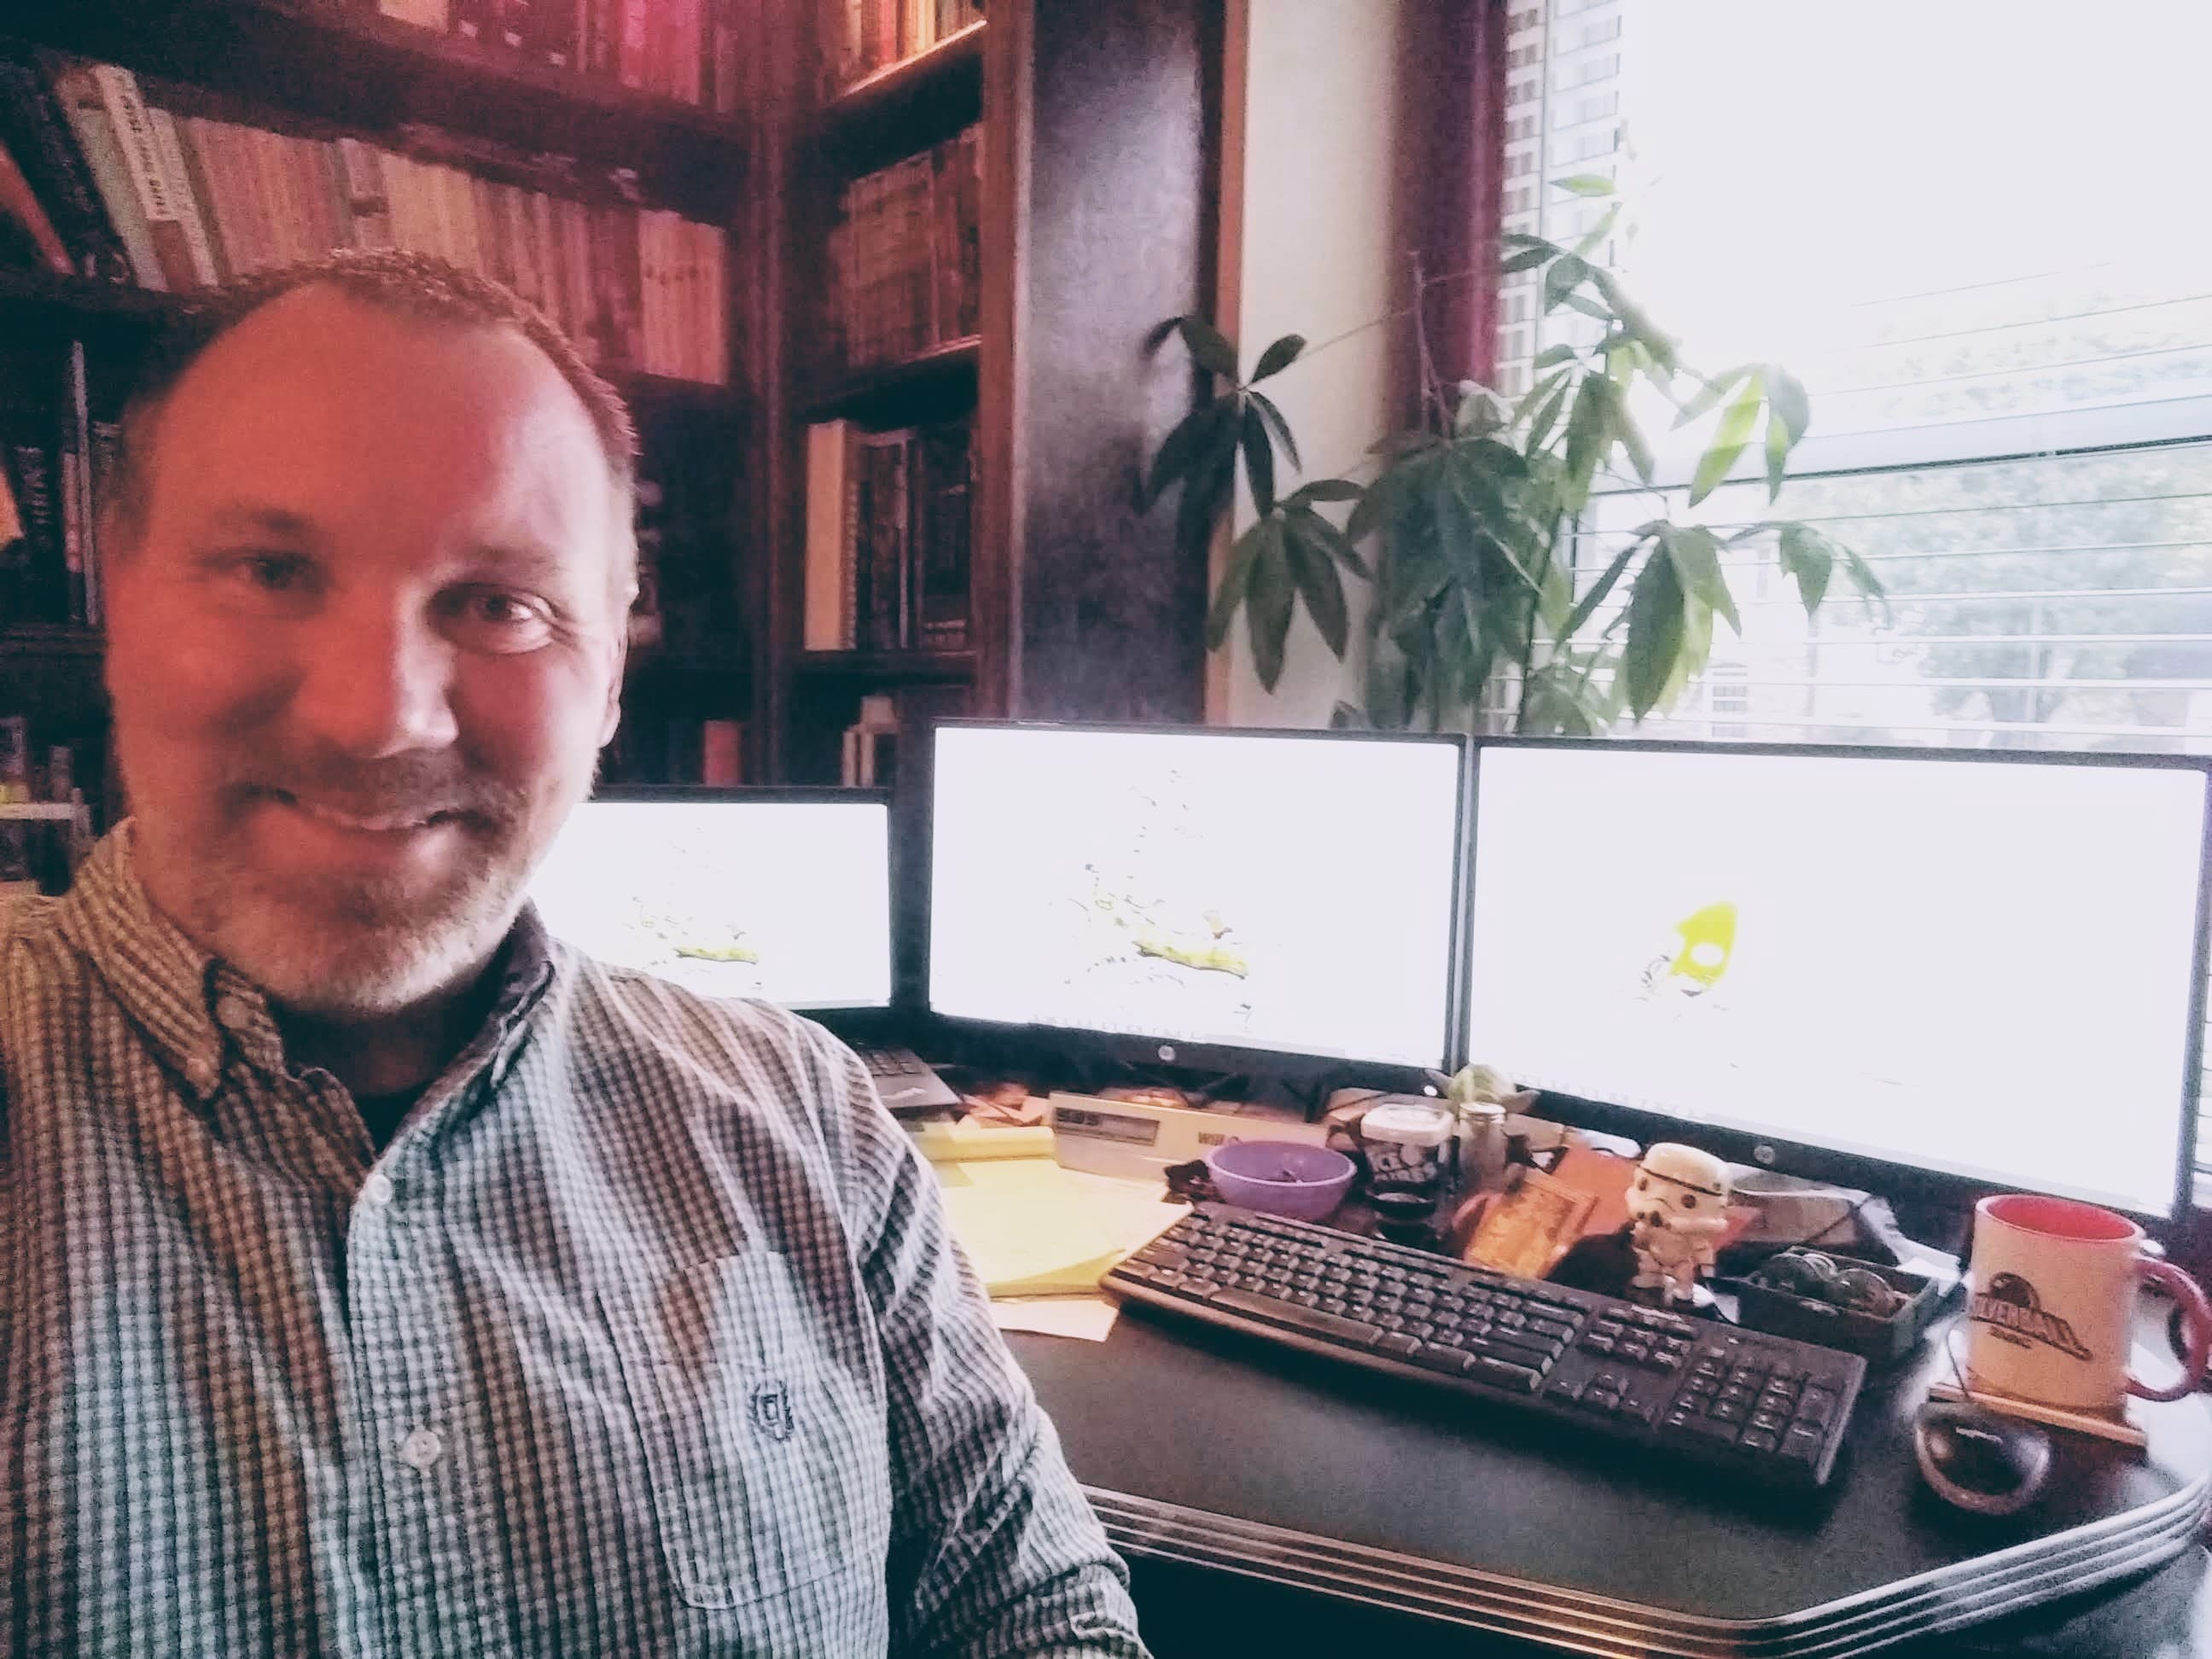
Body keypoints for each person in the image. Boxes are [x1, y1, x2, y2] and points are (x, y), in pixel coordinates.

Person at [0, 252, 1148, 1658]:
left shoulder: (813, 1121)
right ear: (120, 609)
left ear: (608, 677)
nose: (380, 716)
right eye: (270, 570)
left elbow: (1036, 1614)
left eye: (500, 604)